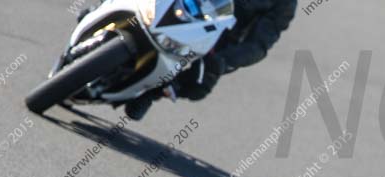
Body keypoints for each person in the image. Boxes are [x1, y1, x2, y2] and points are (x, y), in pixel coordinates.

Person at [125, 0, 297, 120]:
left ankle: (151, 91)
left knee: (199, 85)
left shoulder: (284, 3)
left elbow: (258, 45)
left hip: (210, 39)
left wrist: (223, 61)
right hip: (180, 5)